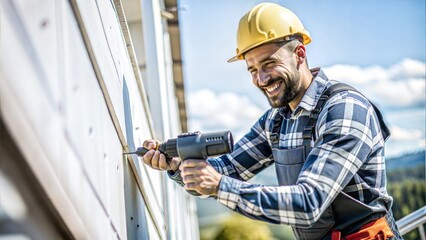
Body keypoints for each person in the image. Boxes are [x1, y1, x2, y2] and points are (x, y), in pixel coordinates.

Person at [142, 2, 403, 240]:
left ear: (300, 53)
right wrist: (177, 165)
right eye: (253, 69)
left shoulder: (344, 108)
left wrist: (219, 187)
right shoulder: (276, 121)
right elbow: (228, 170)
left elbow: (310, 202)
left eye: (269, 63)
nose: (261, 79)